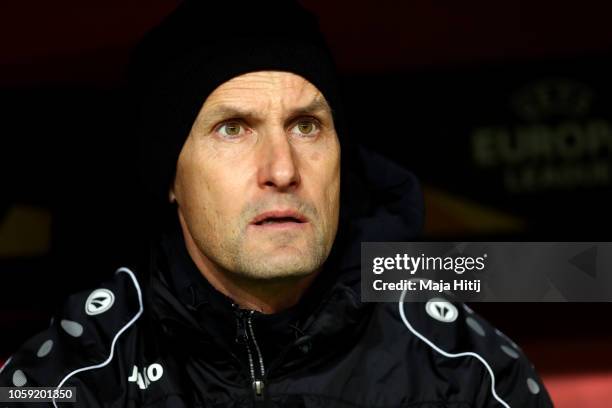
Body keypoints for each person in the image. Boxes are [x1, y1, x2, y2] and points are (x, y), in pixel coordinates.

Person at [0, 1, 552, 407]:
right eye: (233, 129)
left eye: (307, 126)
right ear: (170, 177)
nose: (283, 170)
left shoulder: (465, 369)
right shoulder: (75, 372)